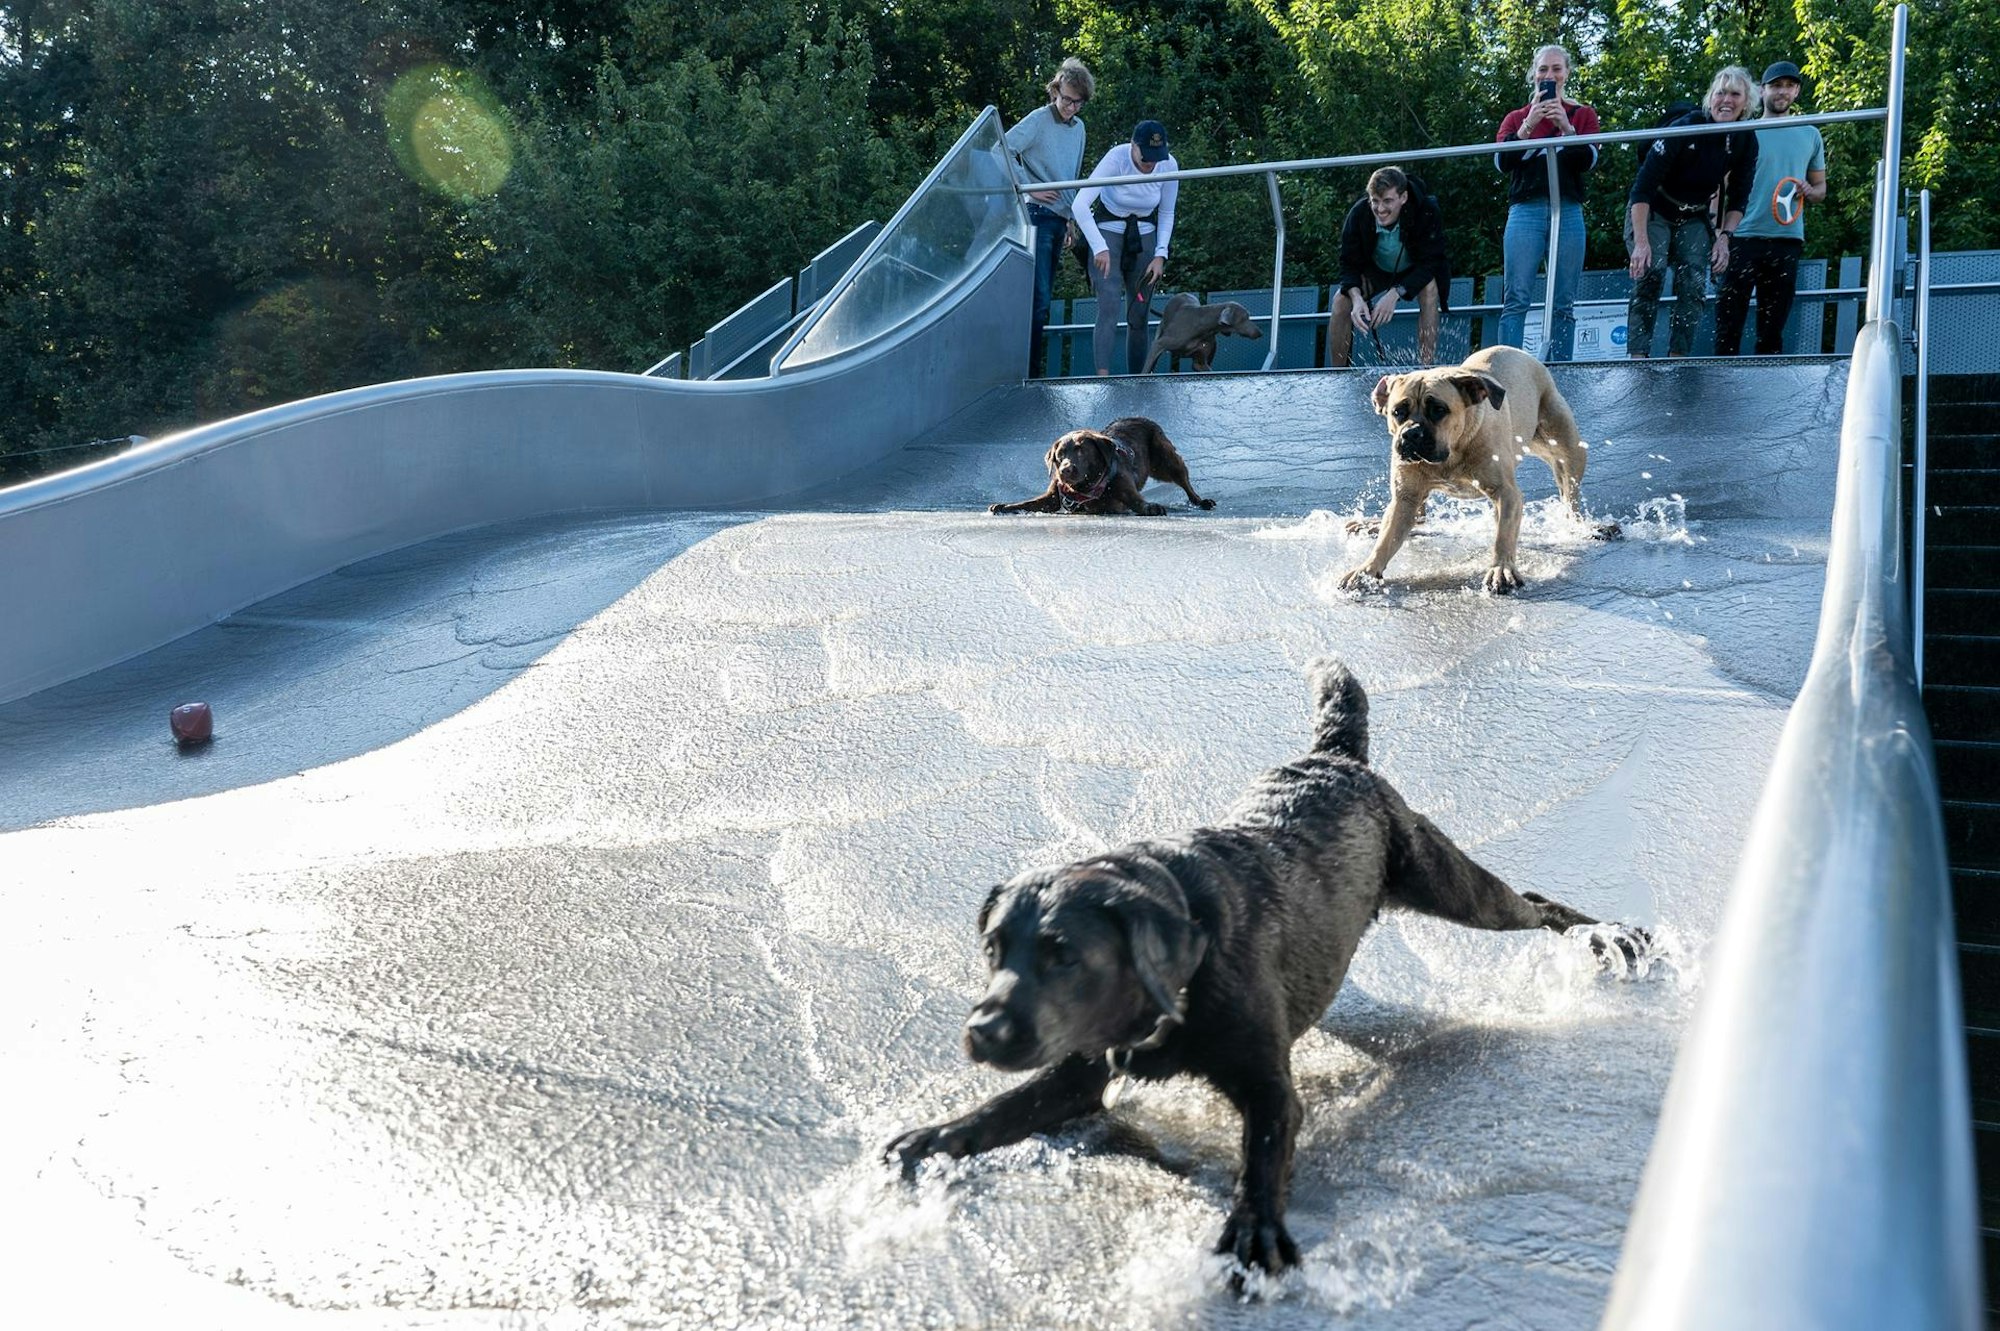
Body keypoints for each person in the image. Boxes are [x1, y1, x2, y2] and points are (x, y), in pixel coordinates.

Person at [1625, 66, 1760, 358]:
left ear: (1746, 102)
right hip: (1655, 208)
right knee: (1651, 271)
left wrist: (1724, 237)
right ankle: (1638, 357)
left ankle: (1679, 358)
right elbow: (1642, 188)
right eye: (1721, 92)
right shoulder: (1685, 127)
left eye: (1735, 94)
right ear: (1711, 98)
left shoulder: (1745, 138)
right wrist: (1641, 242)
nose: (1727, 100)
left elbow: (1739, 196)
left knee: (1694, 281)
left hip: (1694, 215)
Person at [1493, 45, 1602, 361]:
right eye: (1543, 70)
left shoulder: (1583, 114)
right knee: (1516, 298)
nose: (1549, 75)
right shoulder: (1516, 117)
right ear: (1533, 74)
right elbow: (1502, 163)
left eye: (1556, 69)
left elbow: (1588, 161)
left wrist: (1567, 129)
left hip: (1567, 211)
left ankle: (1561, 372)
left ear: (1566, 73)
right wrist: (1529, 125)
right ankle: (1508, 372)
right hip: (1525, 211)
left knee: (1563, 301)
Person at [1713, 61, 1828, 356]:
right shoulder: (1745, 130)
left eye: (1789, 86)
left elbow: (1820, 191)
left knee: (1773, 328)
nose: (1783, 92)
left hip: (1787, 239)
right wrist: (1717, 234)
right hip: (1741, 237)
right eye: (1776, 85)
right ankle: (1720, 394)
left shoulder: (1810, 134)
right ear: (1762, 91)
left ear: (1797, 91)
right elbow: (1719, 186)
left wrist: (1807, 190)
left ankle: (1768, 394)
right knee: (1728, 324)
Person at [1004, 58, 1093, 377]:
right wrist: (1027, 188)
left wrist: (1069, 218)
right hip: (1037, 215)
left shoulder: (1079, 128)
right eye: (1066, 98)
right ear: (1055, 91)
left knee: (1045, 299)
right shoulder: (1040, 119)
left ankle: (1030, 371)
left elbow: (1072, 175)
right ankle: (1027, 373)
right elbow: (1000, 148)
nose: (1071, 107)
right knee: (1037, 298)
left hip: (1058, 218)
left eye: (1078, 102)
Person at [1071, 120, 1180, 376]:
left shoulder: (1169, 164)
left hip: (1145, 237)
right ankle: (1102, 379)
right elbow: (1079, 205)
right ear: (1133, 146)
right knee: (1108, 305)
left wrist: (1160, 254)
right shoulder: (1116, 158)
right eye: (1145, 158)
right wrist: (1098, 247)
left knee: (1139, 313)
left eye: (1156, 158)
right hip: (1108, 232)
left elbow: (1166, 212)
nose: (1150, 164)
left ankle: (1139, 380)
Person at [1329, 167, 1452, 367]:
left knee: (1430, 288)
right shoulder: (1359, 213)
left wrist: (1396, 293)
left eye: (1387, 201)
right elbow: (1347, 263)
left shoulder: (1426, 210)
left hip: (1413, 272)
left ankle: (1426, 369)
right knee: (1340, 300)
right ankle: (1337, 373)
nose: (1380, 209)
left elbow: (1431, 262)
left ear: (1403, 197)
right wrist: (1357, 298)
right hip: (1374, 272)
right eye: (1375, 201)